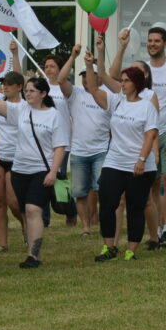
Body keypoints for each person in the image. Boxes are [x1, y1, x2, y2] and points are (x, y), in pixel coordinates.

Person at [111, 26, 166, 248]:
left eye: (157, 41)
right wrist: (122, 46)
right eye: (150, 41)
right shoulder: (140, 69)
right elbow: (114, 76)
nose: (153, 44)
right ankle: (155, 229)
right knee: (153, 185)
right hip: (145, 134)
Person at [0, 71, 68, 268]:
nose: (28, 94)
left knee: (33, 209)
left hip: (42, 170)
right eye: (27, 91)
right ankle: (31, 247)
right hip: (20, 171)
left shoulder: (54, 116)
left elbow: (60, 146)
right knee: (24, 210)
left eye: (32, 91)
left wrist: (53, 171)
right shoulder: (20, 110)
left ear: (43, 94)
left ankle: (33, 256)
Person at [85, 54, 158, 262]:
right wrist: (90, 67)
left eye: (126, 81)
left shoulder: (147, 106)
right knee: (107, 202)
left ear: (136, 83)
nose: (122, 84)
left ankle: (131, 250)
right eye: (122, 80)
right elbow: (93, 89)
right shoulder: (116, 101)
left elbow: (150, 134)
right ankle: (109, 247)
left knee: (135, 207)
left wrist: (142, 159)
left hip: (139, 164)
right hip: (114, 161)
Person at [60, 45, 109, 235]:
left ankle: (101, 221)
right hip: (79, 151)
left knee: (102, 189)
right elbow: (61, 79)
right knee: (80, 192)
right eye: (82, 75)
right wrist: (73, 56)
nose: (84, 79)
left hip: (102, 150)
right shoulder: (76, 94)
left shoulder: (106, 94)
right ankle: (86, 226)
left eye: (88, 74)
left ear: (98, 78)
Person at [0, 69, 26, 250]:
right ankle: (2, 243)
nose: (5, 87)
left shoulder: (23, 107)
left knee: (14, 203)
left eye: (10, 84)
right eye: (3, 84)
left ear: (19, 87)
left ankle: (27, 225)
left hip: (16, 159)